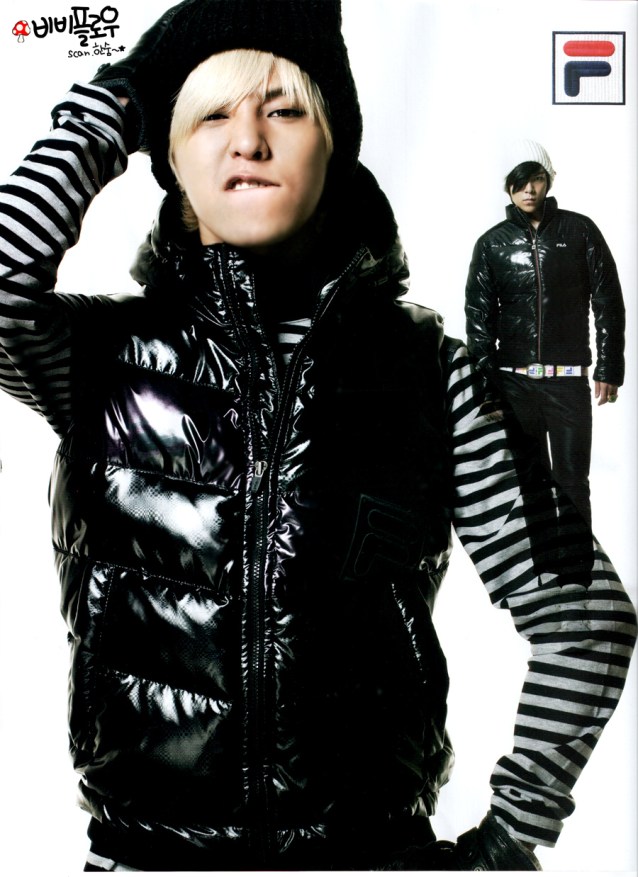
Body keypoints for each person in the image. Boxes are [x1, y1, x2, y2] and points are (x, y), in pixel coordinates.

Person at [0, 1, 635, 871]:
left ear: (334, 147)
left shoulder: (431, 373)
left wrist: (504, 844)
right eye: (211, 115)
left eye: (285, 110)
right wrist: (117, 101)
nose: (248, 140)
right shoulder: (96, 358)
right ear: (168, 156)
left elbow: (584, 616)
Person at [464, 141, 625, 525]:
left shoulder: (580, 230)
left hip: (568, 382)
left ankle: (577, 562)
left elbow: (607, 300)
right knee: (529, 486)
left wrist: (609, 367)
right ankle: (540, 563)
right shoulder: (492, 244)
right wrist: (486, 385)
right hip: (514, 384)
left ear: (548, 180)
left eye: (536, 179)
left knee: (573, 484)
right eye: (519, 182)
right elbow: (479, 319)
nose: (529, 190)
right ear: (507, 186)